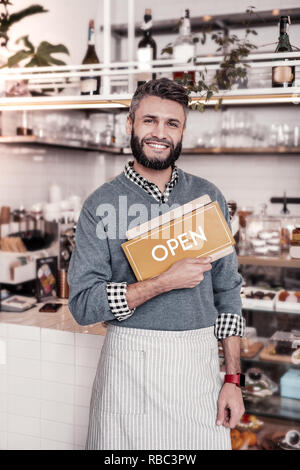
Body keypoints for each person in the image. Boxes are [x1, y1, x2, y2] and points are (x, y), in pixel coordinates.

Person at [68, 78, 245, 450]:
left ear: (182, 132)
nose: (159, 133)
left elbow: (228, 291)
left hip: (199, 371)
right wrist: (163, 281)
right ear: (130, 124)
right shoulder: (101, 204)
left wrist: (233, 380)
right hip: (128, 375)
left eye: (172, 124)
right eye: (149, 121)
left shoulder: (208, 196)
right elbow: (83, 305)